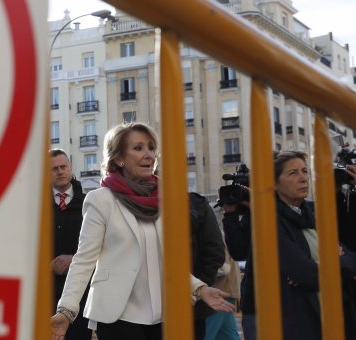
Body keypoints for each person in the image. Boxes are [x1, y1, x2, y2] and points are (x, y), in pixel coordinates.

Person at [51, 122, 234, 340]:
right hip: (117, 316)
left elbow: (165, 262)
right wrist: (66, 310)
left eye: (150, 147)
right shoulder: (100, 200)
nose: (149, 154)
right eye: (138, 148)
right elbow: (84, 260)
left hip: (163, 314)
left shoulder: (166, 198)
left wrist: (200, 288)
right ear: (118, 158)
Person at [223, 151, 356, 340]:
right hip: (281, 315)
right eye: (293, 173)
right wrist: (337, 266)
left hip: (326, 313)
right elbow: (308, 275)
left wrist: (324, 266)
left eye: (305, 171)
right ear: (274, 184)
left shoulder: (315, 212)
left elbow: (354, 260)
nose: (303, 178)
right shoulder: (266, 218)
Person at [49, 148, 92, 340]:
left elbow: (101, 247)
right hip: (46, 294)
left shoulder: (89, 205)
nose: (60, 171)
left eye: (63, 166)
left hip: (80, 299)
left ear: (70, 167)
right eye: (54, 168)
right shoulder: (36, 207)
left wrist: (74, 259)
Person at [188, 192, 227, 339]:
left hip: (152, 307)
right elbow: (215, 250)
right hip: (196, 302)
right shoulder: (198, 205)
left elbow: (215, 251)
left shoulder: (197, 205)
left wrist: (200, 287)